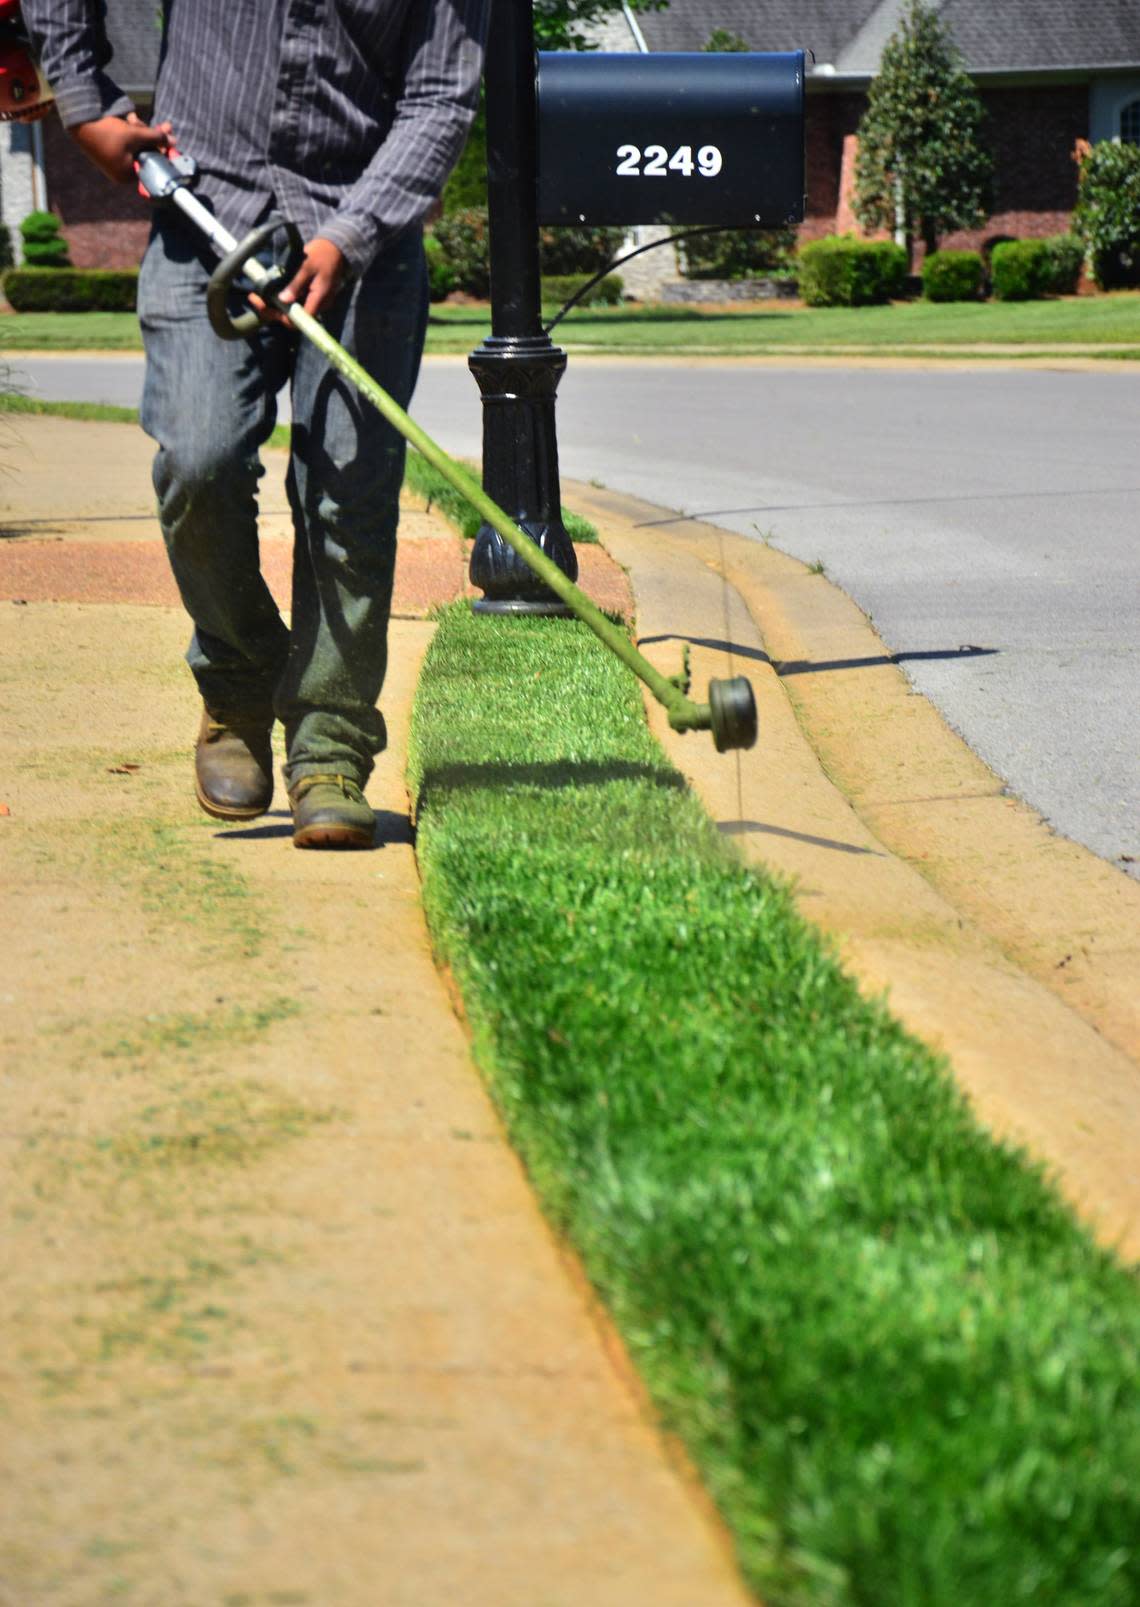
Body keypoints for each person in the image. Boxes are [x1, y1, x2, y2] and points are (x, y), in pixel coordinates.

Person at [22, 0, 488, 847]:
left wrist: (350, 235)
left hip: (362, 234)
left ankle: (330, 747)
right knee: (197, 461)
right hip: (205, 210)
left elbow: (441, 99)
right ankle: (239, 682)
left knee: (348, 499)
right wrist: (84, 100)